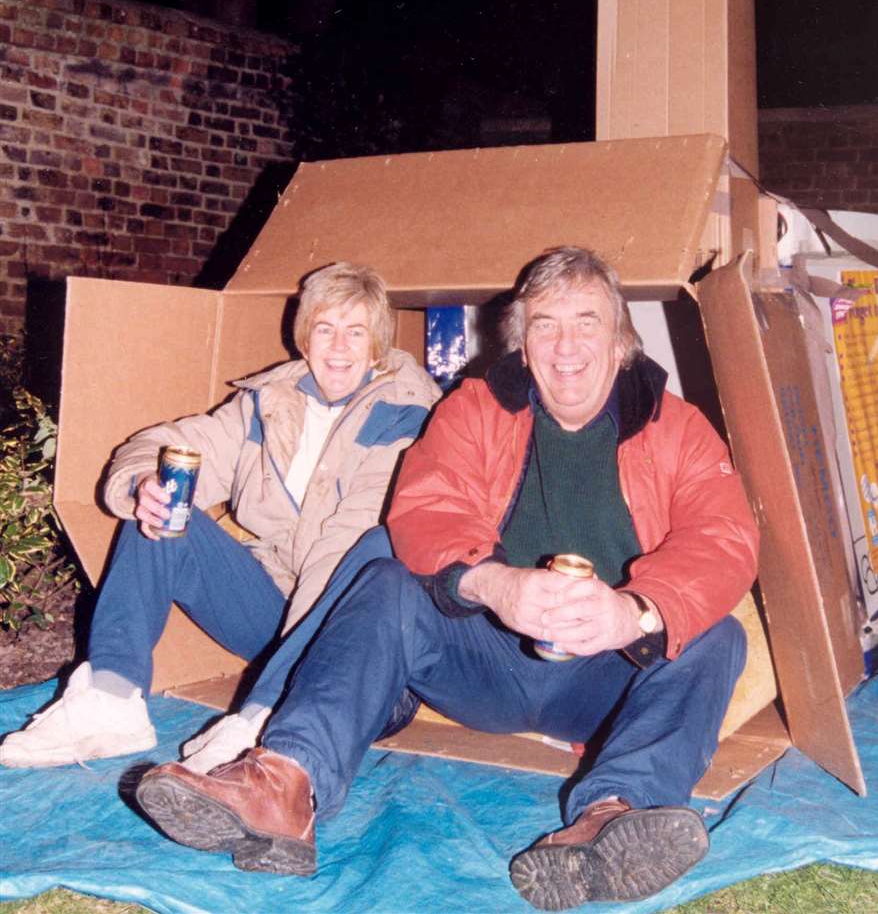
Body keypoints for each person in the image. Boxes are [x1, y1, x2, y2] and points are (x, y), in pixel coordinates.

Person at [135, 246, 759, 910]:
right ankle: (283, 783)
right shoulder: (477, 408)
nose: (566, 346)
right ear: (521, 341)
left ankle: (608, 817)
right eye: (545, 324)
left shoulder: (678, 427)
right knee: (383, 578)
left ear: (621, 339)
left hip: (604, 679)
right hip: (483, 658)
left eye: (587, 322)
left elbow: (724, 538)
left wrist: (631, 611)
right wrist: (494, 583)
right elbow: (424, 509)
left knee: (717, 637)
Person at [0, 261, 441, 770]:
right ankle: (112, 698)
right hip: (276, 611)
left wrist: (262, 706)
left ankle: (273, 731)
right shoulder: (270, 403)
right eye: (325, 328)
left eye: (355, 331)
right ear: (304, 338)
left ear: (377, 345)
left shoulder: (409, 417)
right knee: (164, 512)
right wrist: (145, 484)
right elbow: (174, 443)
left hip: (364, 649)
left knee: (370, 554)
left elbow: (342, 552)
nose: (338, 346)